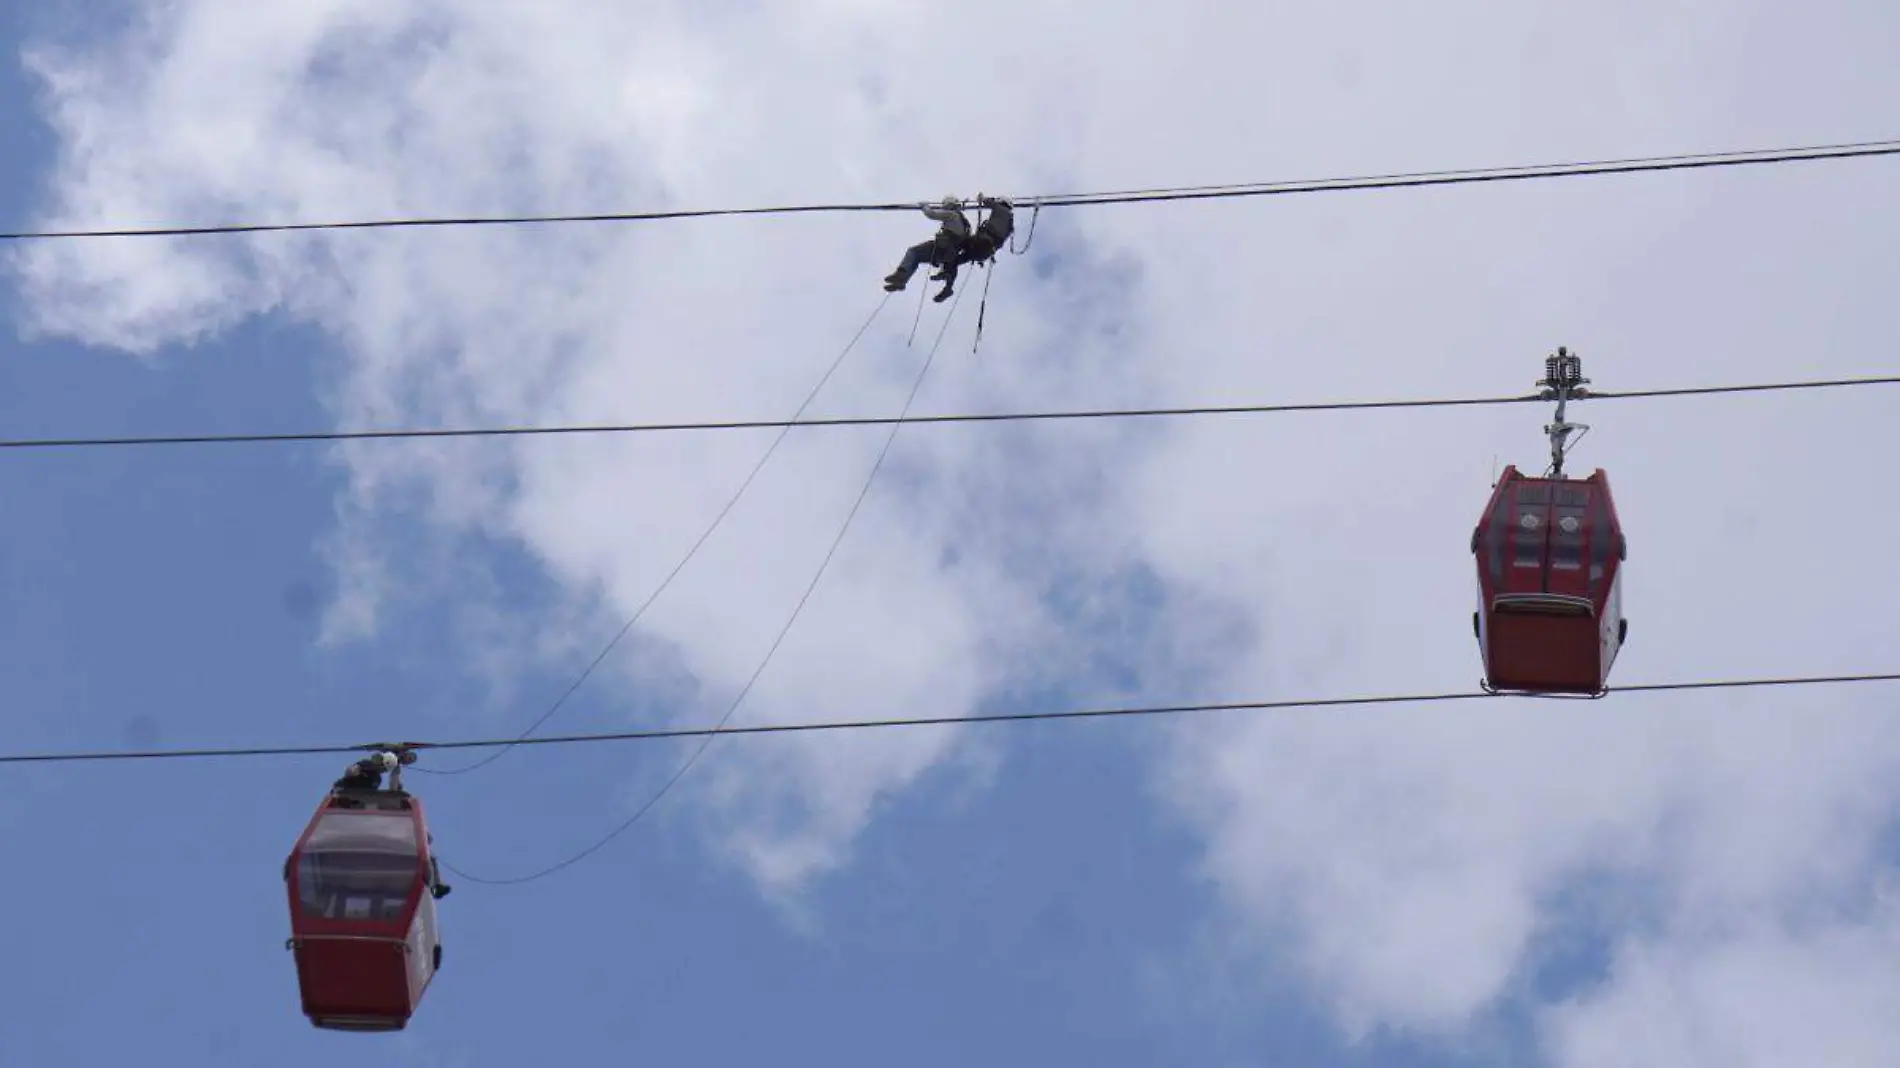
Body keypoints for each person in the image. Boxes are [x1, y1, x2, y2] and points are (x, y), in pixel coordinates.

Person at [926, 196, 1015, 301]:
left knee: (955, 241)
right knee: (954, 260)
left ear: (1002, 202)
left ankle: (946, 270)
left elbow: (987, 202)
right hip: (984, 252)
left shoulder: (1000, 208)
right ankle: (948, 287)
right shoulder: (1010, 223)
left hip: (980, 242)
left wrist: (983, 198)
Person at [883, 197, 971, 300]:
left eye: (945, 206)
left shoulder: (952, 214)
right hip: (949, 254)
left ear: (950, 205)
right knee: (917, 258)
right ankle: (901, 281)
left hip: (941, 248)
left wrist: (924, 206)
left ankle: (901, 275)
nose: (944, 208)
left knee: (913, 252)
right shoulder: (965, 224)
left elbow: (932, 214)